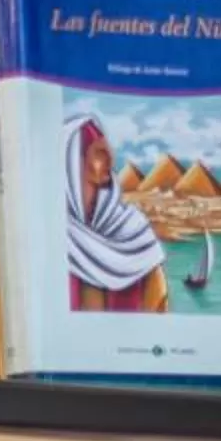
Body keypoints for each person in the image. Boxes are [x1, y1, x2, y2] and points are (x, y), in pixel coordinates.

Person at [64, 117, 169, 312]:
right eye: (99, 154)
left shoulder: (132, 227)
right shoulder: (57, 234)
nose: (110, 160)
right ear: (72, 161)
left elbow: (159, 302)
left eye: (108, 152)